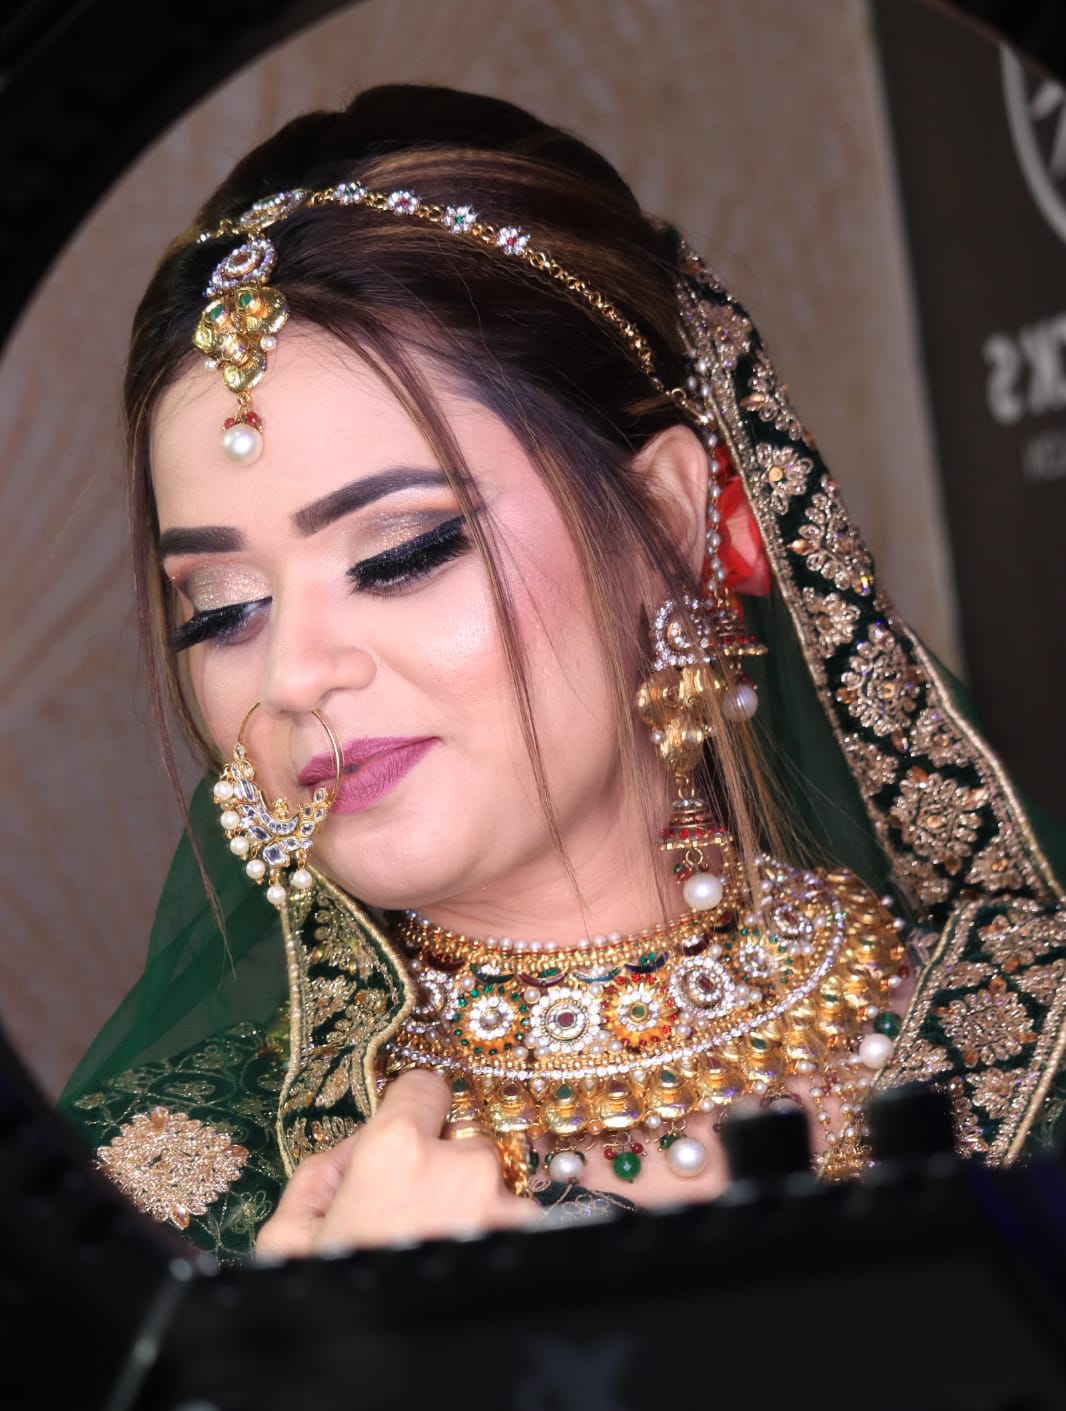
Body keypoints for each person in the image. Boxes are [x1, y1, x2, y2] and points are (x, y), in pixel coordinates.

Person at [55, 81, 1066, 1262]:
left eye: (402, 553)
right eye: (223, 610)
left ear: (666, 520)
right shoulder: (153, 1202)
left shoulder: (1032, 1048)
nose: (293, 673)